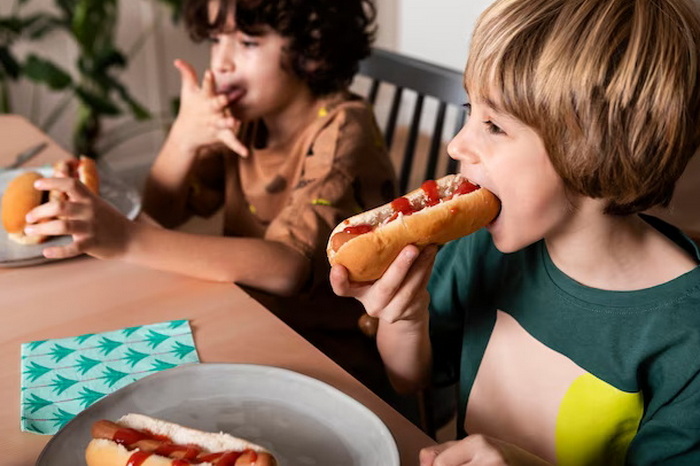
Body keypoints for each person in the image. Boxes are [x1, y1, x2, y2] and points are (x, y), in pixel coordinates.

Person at [331, 0, 700, 464]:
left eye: (493, 125)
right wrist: (403, 317)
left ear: (597, 147)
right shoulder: (482, 244)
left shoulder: (686, 336)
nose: (456, 144)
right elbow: (413, 378)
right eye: (470, 109)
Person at [26, 0, 402, 413]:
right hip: (253, 317)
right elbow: (163, 211)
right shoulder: (244, 115)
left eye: (246, 42)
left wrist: (129, 239)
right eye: (216, 38)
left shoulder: (343, 129)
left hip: (332, 358)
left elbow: (288, 268)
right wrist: (183, 138)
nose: (220, 62)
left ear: (311, 47)